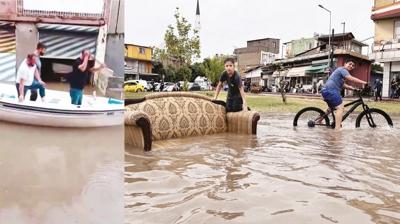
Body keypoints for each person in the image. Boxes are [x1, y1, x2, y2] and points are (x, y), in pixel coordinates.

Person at [320, 59, 367, 130]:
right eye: (350, 64)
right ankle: (337, 129)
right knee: (340, 107)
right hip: (330, 91)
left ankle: (318, 121)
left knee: (331, 109)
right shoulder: (342, 69)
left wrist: (354, 89)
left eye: (353, 65)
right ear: (345, 64)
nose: (351, 66)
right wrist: (364, 82)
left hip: (326, 91)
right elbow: (351, 78)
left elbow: (344, 85)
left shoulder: (341, 76)